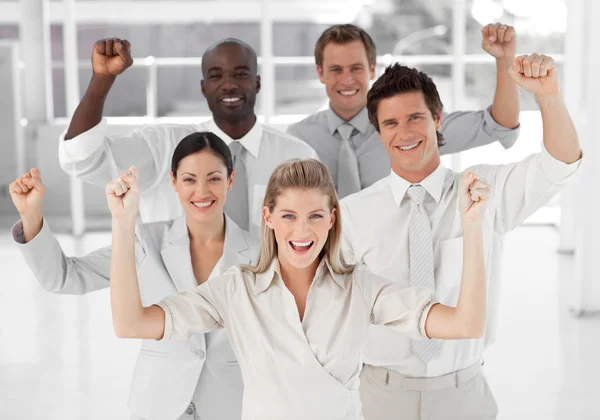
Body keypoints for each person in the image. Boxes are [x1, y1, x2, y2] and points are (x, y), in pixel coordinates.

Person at [107, 157, 491, 420]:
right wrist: (124, 225)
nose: (302, 231)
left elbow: (465, 325)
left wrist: (471, 228)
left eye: (315, 216)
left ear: (332, 219)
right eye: (289, 216)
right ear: (268, 217)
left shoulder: (361, 288)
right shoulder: (235, 289)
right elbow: (131, 324)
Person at [340, 53, 582, 419]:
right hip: (379, 395)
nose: (404, 133)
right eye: (390, 123)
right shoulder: (352, 214)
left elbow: (560, 165)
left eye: (415, 117)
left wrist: (548, 97)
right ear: (379, 132)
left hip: (463, 393)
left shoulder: (483, 190)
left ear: (437, 119)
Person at [10, 132, 258, 420]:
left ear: (230, 180)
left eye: (214, 178)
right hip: (157, 404)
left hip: (232, 406)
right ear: (174, 181)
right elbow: (64, 277)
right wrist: (31, 215)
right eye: (189, 179)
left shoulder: (260, 252)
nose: (201, 191)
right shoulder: (144, 241)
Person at [58, 37, 317, 238]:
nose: (229, 85)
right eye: (216, 76)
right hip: (181, 301)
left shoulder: (297, 157)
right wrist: (102, 80)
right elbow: (83, 158)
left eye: (240, 74)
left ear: (258, 83)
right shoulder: (164, 147)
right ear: (203, 87)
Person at [287, 23, 521, 198]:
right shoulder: (298, 139)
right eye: (336, 69)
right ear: (320, 73)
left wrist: (505, 59)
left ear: (371, 70)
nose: (347, 80)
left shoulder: (414, 128)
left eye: (356, 68)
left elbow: (500, 124)